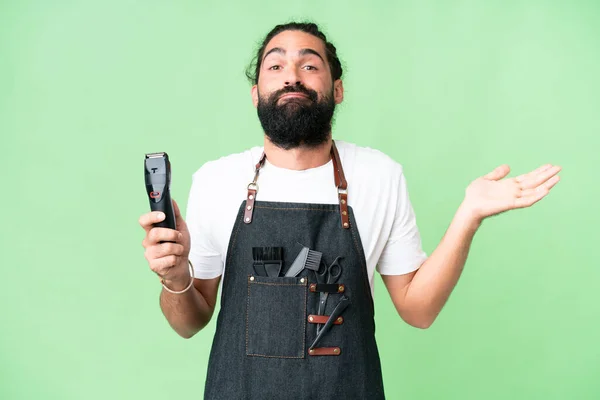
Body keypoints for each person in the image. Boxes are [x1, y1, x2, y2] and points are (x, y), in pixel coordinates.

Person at [139, 21, 561, 400]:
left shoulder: (379, 175)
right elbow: (188, 322)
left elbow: (419, 310)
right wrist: (175, 277)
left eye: (309, 65)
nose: (292, 76)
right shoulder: (218, 180)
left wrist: (468, 215)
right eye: (275, 66)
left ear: (336, 89)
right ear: (256, 94)